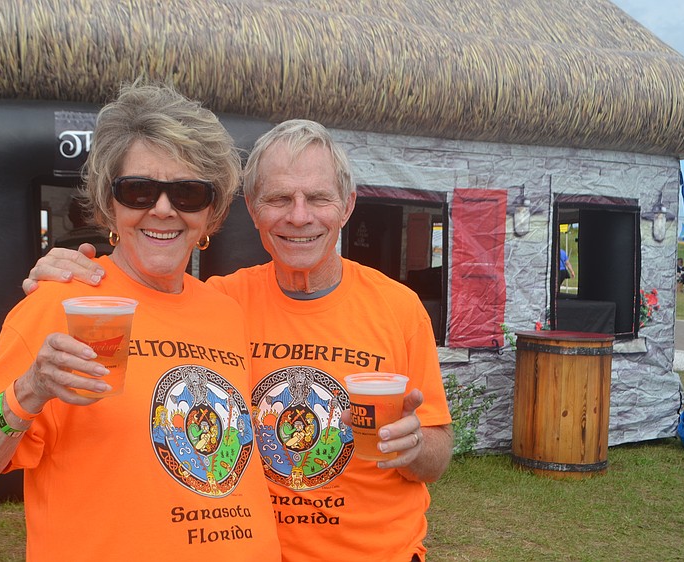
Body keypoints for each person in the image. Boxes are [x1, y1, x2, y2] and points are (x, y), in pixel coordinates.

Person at [24, 119, 454, 561]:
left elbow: (437, 455)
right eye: (279, 198)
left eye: (318, 198)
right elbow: (143, 293)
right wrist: (70, 279)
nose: (299, 215)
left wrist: (415, 444)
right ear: (252, 209)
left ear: (346, 206)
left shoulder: (398, 309)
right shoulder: (217, 304)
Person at [0, 83, 281, 561]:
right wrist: (29, 390)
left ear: (210, 213)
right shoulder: (60, 304)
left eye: (188, 193)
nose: (163, 209)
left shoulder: (224, 312)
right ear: (109, 204)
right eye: (138, 190)